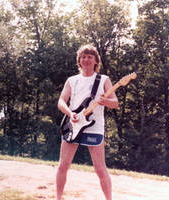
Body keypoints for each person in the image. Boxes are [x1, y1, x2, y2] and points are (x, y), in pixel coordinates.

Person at [56, 44, 119, 200]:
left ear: (96, 60)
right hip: (73, 125)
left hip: (94, 127)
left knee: (99, 168)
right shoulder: (72, 80)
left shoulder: (104, 79)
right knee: (63, 165)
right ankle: (57, 197)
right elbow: (61, 101)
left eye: (90, 57)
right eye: (83, 57)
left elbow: (115, 103)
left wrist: (106, 101)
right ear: (79, 61)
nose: (86, 59)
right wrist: (71, 114)